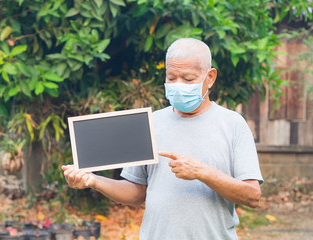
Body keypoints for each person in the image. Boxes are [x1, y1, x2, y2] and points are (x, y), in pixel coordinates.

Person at [62, 38, 263, 239]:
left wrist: (203, 172)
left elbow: (252, 196)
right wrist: (94, 180)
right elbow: (136, 193)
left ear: (210, 77)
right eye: (171, 78)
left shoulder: (233, 124)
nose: (178, 85)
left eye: (188, 79)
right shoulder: (150, 123)